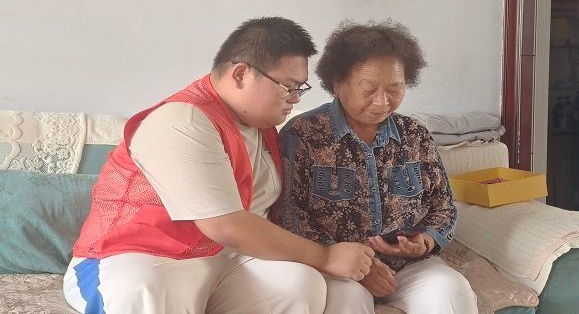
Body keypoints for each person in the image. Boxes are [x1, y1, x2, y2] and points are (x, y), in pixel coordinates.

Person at [63, 17, 375, 314]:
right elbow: (226, 225)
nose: (295, 99)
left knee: (298, 285)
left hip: (222, 256)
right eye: (288, 87)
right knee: (144, 290)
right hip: (139, 255)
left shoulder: (261, 126)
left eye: (300, 88)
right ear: (241, 74)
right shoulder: (182, 121)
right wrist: (324, 256)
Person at [276, 20, 478, 314]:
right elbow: (289, 215)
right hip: (338, 267)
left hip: (408, 267)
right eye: (369, 89)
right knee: (346, 302)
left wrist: (424, 241)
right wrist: (351, 263)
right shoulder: (303, 135)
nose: (383, 102)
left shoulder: (414, 135)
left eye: (395, 88)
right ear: (337, 83)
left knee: (452, 290)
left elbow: (443, 206)